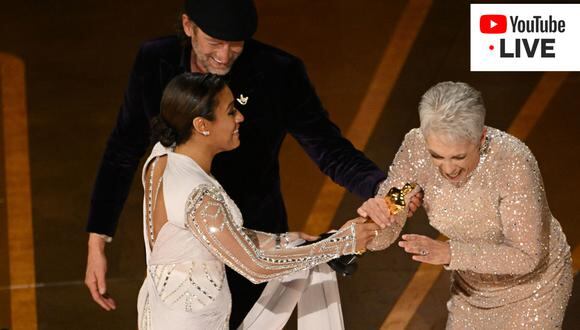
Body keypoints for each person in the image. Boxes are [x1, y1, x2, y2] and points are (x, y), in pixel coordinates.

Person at [84, 1, 409, 327]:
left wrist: (384, 190)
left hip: (252, 229)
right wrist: (97, 241)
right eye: (214, 43)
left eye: (235, 44)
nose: (224, 57)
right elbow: (121, 149)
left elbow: (330, 149)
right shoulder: (154, 62)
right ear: (188, 26)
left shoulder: (278, 71)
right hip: (209, 256)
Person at [137, 72, 379, 329]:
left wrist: (287, 240)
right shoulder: (198, 194)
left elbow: (215, 237)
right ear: (202, 125)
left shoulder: (163, 156)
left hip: (162, 311)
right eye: (231, 112)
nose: (240, 117)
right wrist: (340, 245)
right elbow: (254, 266)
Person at [358, 82, 573, 329]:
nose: (448, 169)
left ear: (480, 138)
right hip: (471, 288)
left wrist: (450, 253)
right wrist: (376, 218)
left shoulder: (513, 161)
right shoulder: (415, 149)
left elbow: (526, 257)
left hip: (535, 287)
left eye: (459, 157)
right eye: (436, 156)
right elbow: (383, 234)